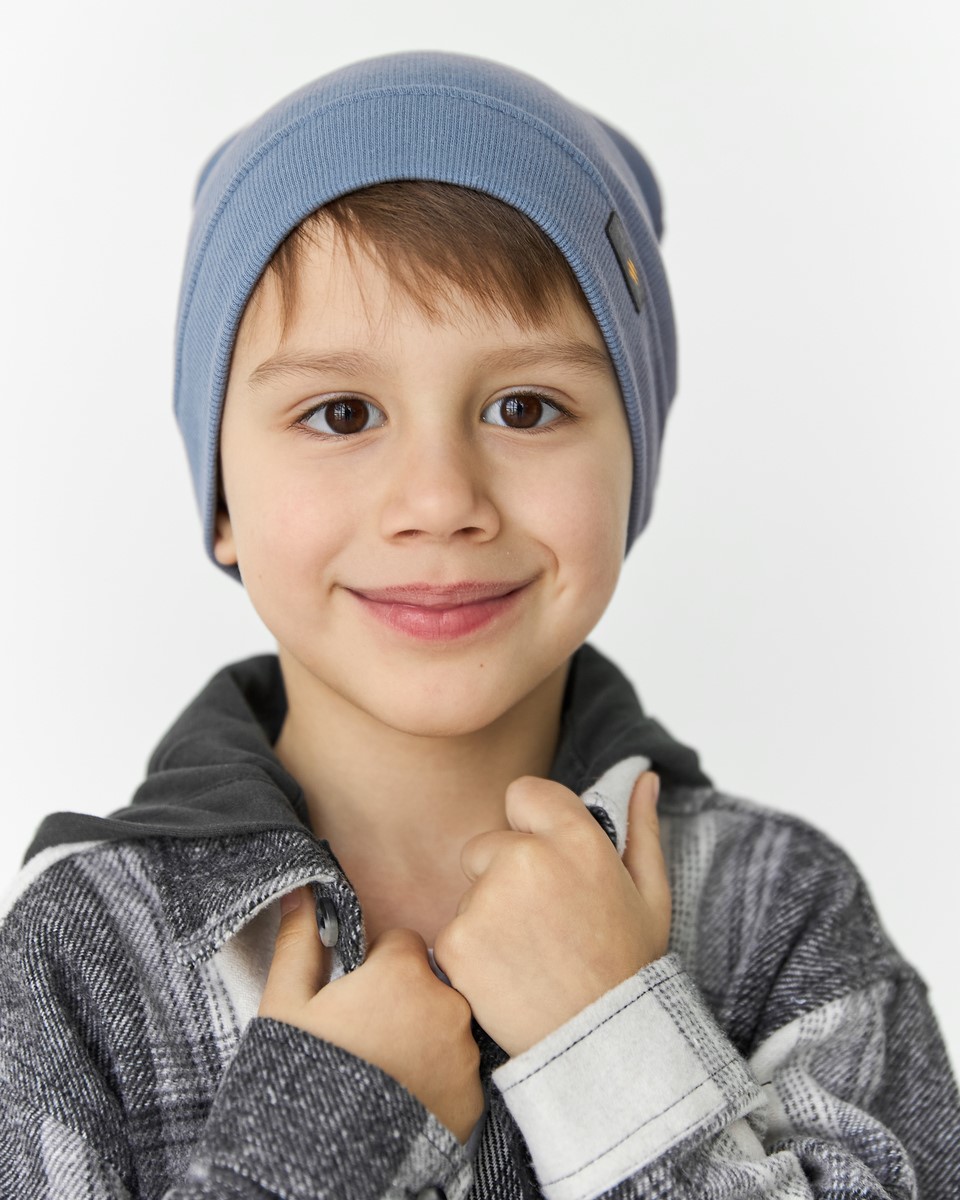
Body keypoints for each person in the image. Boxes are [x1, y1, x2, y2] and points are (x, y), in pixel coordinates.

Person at [0, 49, 957, 1200]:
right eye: (341, 413)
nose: (441, 499)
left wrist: (610, 1041)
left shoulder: (784, 915)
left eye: (525, 407)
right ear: (221, 503)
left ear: (633, 472)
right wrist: (323, 1141)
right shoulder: (79, 957)